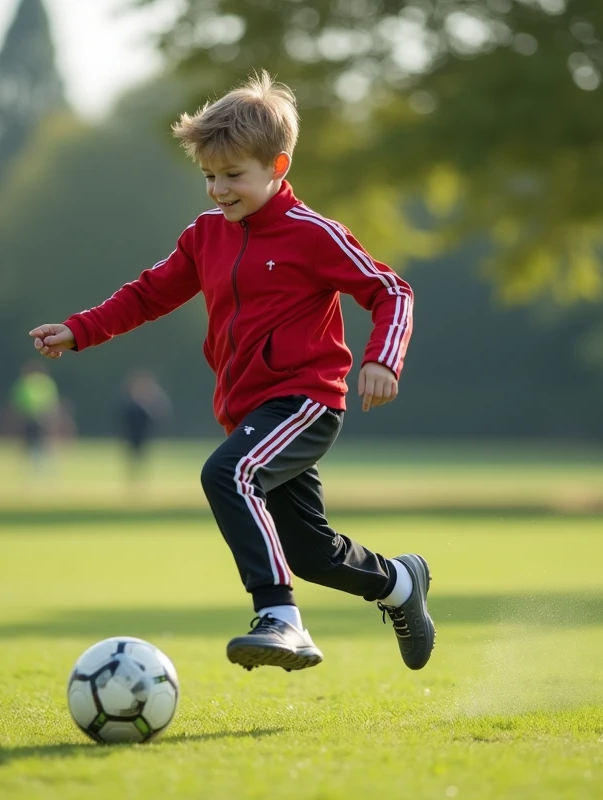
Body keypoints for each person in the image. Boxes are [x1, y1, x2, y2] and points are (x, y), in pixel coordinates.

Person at [28, 71, 433, 673]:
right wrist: (80, 329)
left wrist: (382, 359)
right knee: (310, 552)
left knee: (228, 473)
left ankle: (281, 618)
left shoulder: (314, 234)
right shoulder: (205, 236)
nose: (219, 189)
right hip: (248, 410)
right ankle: (400, 584)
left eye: (233, 175)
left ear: (278, 164)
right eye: (210, 176)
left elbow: (391, 292)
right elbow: (149, 295)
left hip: (307, 401)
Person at [118, 369, 171, 484]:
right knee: (133, 456)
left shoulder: (145, 406)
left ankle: (137, 477)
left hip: (141, 434)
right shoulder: (133, 405)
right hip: (132, 434)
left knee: (140, 456)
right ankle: (133, 477)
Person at [10, 360, 60, 471]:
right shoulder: (46, 382)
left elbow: (17, 403)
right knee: (41, 442)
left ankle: (34, 467)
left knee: (32, 443)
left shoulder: (24, 382)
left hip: (31, 417)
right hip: (40, 417)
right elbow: (52, 401)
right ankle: (43, 467)